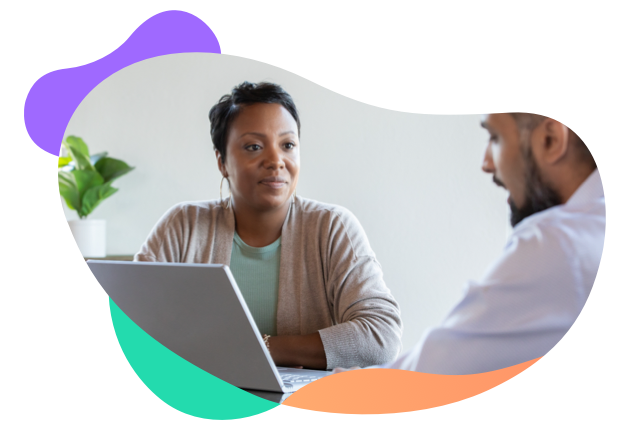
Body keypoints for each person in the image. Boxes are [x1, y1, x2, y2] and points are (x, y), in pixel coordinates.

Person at [134, 81, 402, 371]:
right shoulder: (183, 226)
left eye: (288, 145)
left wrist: (258, 349)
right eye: (254, 146)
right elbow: (128, 322)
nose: (276, 160)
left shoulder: (332, 227)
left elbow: (381, 336)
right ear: (222, 162)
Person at [335, 112, 602, 375]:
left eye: (495, 138)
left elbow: (437, 375)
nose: (487, 163)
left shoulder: (558, 244)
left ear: (550, 140)